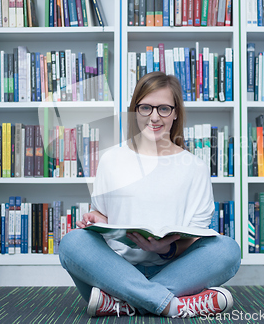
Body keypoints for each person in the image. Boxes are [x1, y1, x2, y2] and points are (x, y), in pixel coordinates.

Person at [59, 71, 241, 318]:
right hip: (114, 272)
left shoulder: (194, 167)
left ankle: (126, 303)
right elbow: (102, 213)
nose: (154, 117)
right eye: (146, 108)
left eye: (164, 109)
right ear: (136, 111)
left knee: (227, 249)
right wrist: (95, 220)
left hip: (175, 271)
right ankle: (173, 305)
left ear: (175, 112)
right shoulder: (111, 159)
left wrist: (164, 249)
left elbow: (196, 238)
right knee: (72, 243)